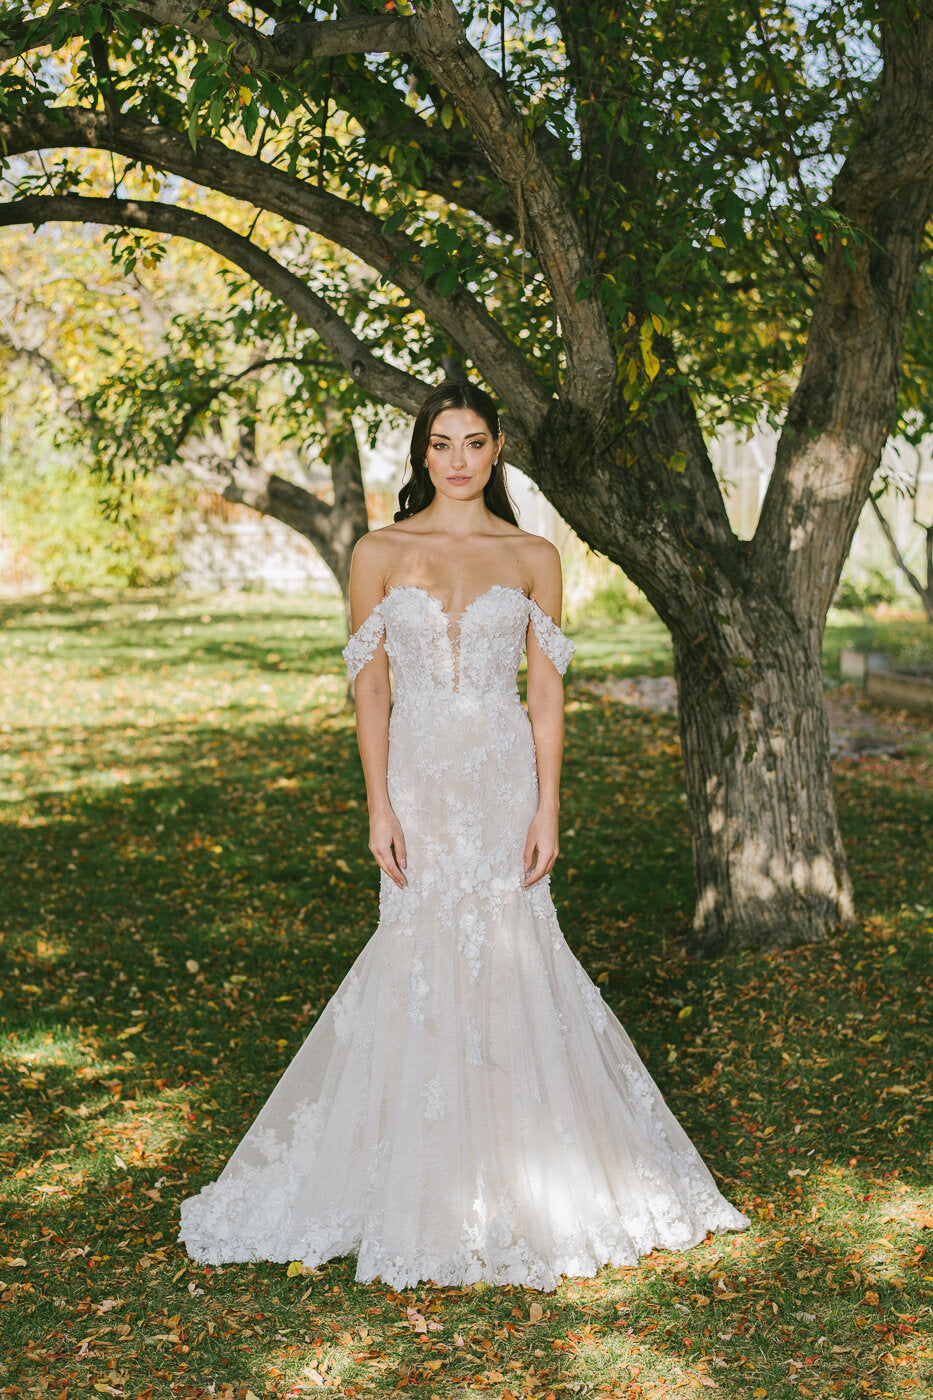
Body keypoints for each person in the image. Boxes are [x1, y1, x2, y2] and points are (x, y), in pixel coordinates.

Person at [178, 380, 749, 1290]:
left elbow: (546, 695)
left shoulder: (533, 555)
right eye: (439, 443)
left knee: (518, 947)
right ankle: (414, 1175)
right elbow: (369, 687)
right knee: (414, 947)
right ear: (420, 454)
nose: (455, 459)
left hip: (498, 776)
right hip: (417, 777)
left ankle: (530, 1172)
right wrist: (377, 805)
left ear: (497, 449)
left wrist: (547, 809)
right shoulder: (379, 550)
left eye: (472, 442)